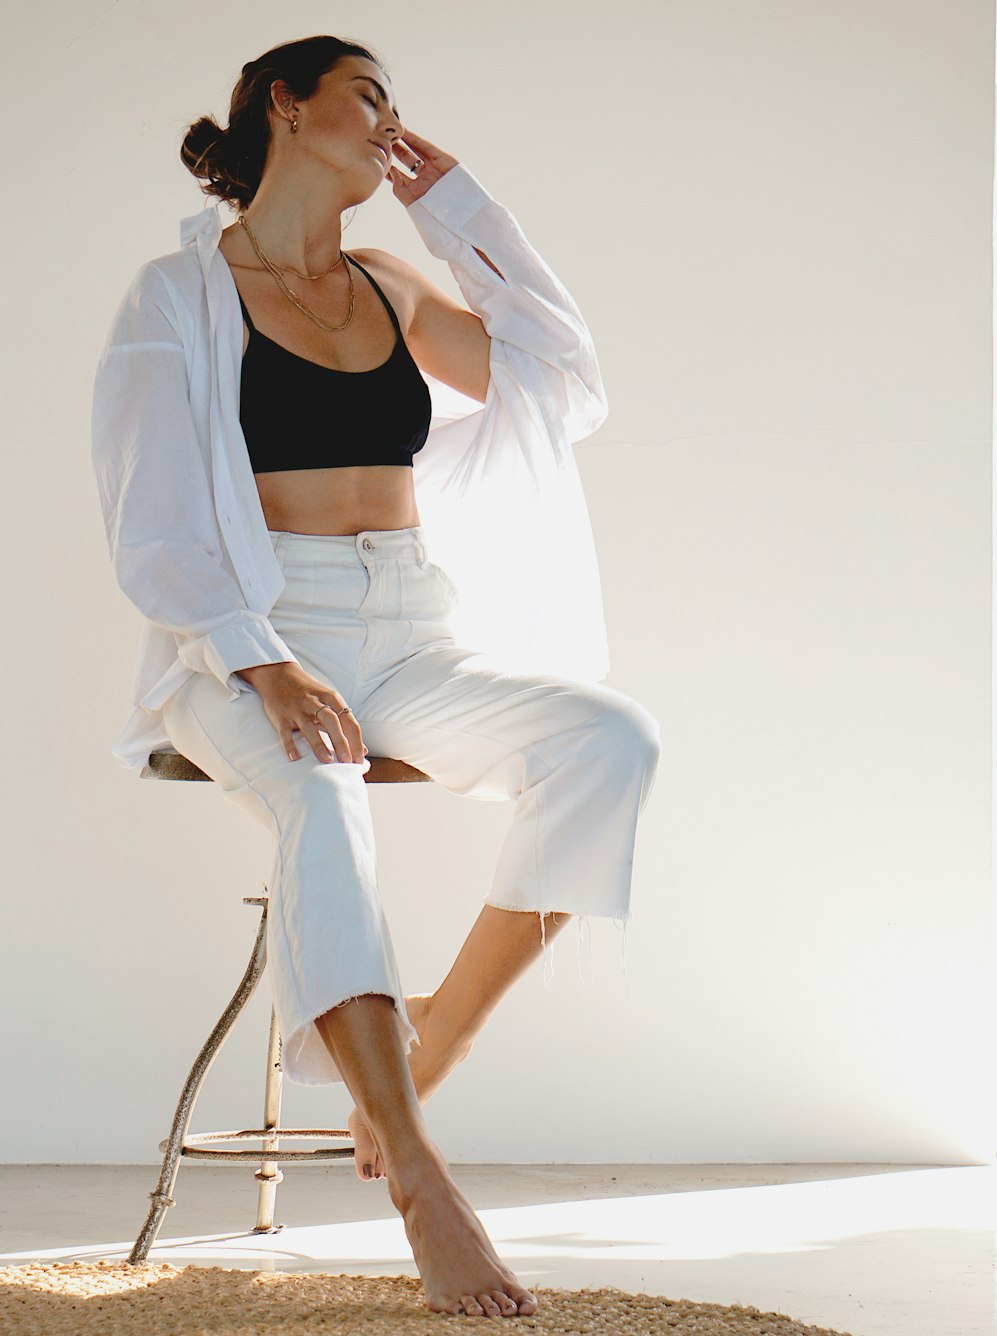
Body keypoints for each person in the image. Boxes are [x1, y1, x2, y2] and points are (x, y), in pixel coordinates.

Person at [91, 33, 661, 1320]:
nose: (391, 121)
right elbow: (156, 519)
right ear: (285, 107)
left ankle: (437, 1029)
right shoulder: (175, 297)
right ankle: (417, 1174)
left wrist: (459, 211)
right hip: (243, 633)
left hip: (409, 629)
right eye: (368, 96)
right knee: (324, 791)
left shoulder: (392, 283)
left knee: (610, 743)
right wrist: (265, 660)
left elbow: (564, 385)